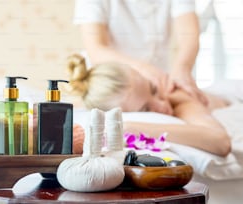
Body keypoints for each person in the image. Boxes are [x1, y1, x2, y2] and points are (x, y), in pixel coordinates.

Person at [66, 54, 231, 157]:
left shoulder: (177, 97)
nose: (162, 104)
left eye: (153, 90)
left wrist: (128, 128)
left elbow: (221, 142)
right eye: (145, 110)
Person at [73, 0, 208, 105]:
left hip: (158, 84)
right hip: (112, 85)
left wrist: (182, 69)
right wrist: (143, 69)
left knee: (193, 102)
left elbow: (189, 35)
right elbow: (96, 49)